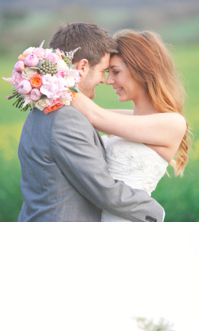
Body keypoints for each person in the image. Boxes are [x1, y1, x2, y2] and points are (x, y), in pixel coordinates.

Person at [17, 23, 165, 222]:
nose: (105, 80)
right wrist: (156, 212)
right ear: (83, 66)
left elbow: (105, 116)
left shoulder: (43, 107)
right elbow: (103, 189)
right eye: (104, 70)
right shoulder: (65, 117)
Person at [70, 29, 189, 222]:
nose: (108, 81)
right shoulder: (127, 118)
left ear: (141, 70)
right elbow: (81, 113)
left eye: (115, 72)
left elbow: (93, 115)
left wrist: (51, 80)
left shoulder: (173, 123)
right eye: (108, 72)